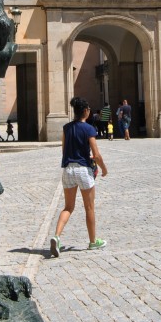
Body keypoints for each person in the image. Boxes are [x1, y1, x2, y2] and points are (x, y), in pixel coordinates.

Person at [50, 97, 108, 257]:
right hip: (83, 170)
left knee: (68, 207)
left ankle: (56, 236)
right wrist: (104, 169)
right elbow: (96, 154)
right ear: (86, 112)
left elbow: (64, 150)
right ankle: (93, 241)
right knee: (89, 207)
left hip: (68, 170)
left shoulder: (66, 128)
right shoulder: (89, 129)